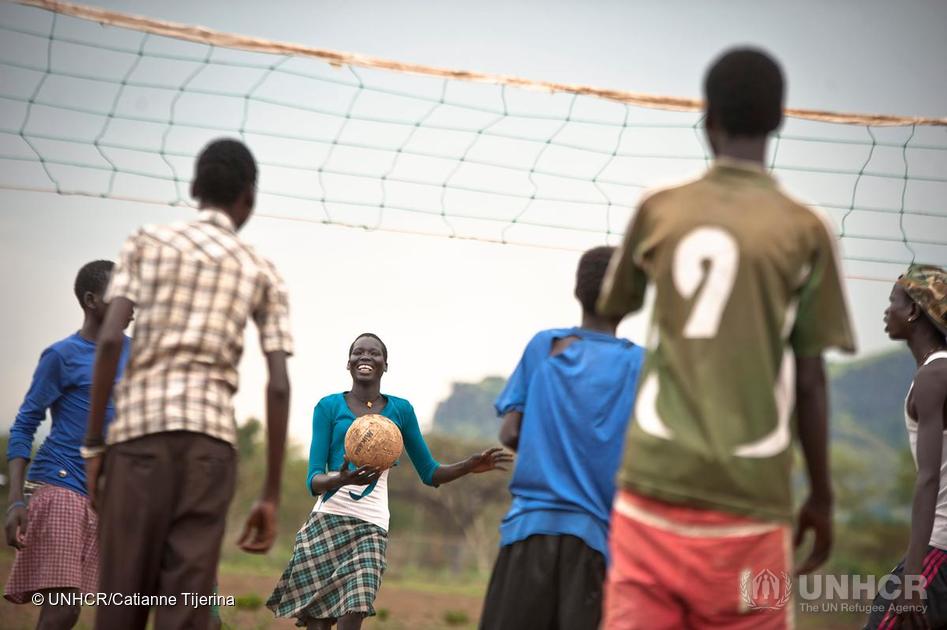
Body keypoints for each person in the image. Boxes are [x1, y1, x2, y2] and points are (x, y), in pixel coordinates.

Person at [597, 48, 856, 629]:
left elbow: (614, 302)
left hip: (655, 485)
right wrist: (820, 496)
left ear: (706, 116)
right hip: (751, 496)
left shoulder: (659, 205)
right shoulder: (807, 228)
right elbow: (810, 382)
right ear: (779, 120)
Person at [83, 138, 294, 630]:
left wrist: (94, 446)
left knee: (121, 600)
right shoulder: (262, 268)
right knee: (185, 608)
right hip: (209, 449)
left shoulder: (145, 242)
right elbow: (279, 383)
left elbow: (112, 338)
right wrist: (269, 494)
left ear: (195, 187)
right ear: (250, 198)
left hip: (138, 441)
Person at [267, 333, 512, 630]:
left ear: (386, 365)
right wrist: (340, 479)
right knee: (318, 624)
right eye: (358, 352)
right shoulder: (328, 407)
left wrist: (469, 466)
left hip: (371, 527)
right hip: (327, 522)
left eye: (374, 353)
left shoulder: (401, 411)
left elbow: (430, 473)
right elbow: (313, 479)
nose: (365, 357)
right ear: (348, 363)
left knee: (355, 609)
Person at [478, 246, 645, 630]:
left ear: (578, 291)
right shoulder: (640, 364)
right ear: (630, 299)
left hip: (526, 533)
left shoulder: (546, 345)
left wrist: (550, 450)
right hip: (594, 540)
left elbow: (511, 431)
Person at [4, 260, 131, 630]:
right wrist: (15, 501)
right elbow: (25, 424)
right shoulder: (62, 355)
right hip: (61, 484)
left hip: (109, 495)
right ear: (92, 300)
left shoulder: (137, 354)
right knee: (64, 607)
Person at [864, 264, 947, 630]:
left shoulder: (933, 377)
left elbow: (928, 478)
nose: (887, 311)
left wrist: (913, 577)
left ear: (913, 310)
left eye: (893, 302)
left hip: (940, 550)